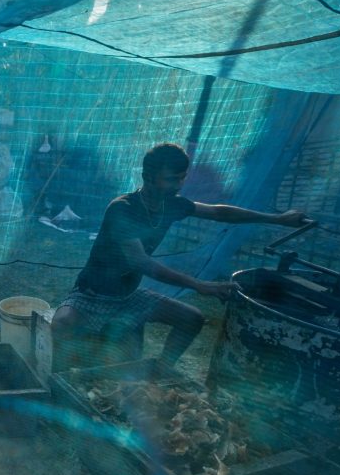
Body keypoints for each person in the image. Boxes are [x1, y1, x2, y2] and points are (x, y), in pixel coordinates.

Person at [53, 142, 307, 368]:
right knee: (63, 323)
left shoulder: (172, 204)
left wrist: (278, 219)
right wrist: (199, 285)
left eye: (181, 178)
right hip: (92, 296)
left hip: (128, 297)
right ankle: (57, 382)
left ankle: (161, 372)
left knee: (192, 318)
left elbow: (219, 212)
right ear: (148, 177)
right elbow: (141, 262)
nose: (177, 186)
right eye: (170, 179)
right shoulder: (122, 208)